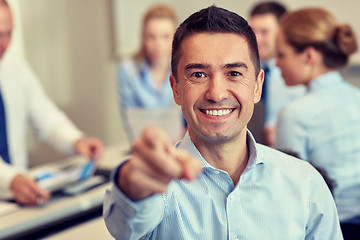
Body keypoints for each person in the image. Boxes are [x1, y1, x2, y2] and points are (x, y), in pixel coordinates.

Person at [104, 5, 343, 239]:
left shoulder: (307, 185)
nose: (216, 94)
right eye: (198, 74)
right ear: (175, 89)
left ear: (258, 86)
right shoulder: (157, 190)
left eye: (234, 73)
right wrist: (131, 188)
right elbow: (125, 225)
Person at [0, 0, 104, 206]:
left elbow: (47, 117)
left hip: (20, 196)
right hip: (12, 186)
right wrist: (10, 180)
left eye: (9, 33)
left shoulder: (16, 70)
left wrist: (76, 140)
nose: (4, 43)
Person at [275, 7, 360, 239]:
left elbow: (288, 196)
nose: (277, 64)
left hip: (331, 228)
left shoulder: (295, 114)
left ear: (309, 56)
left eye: (282, 55)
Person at [248, 1, 305, 147]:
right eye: (252, 31)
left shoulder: (298, 75)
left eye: (264, 32)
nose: (256, 39)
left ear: (282, 32)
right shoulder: (243, 71)